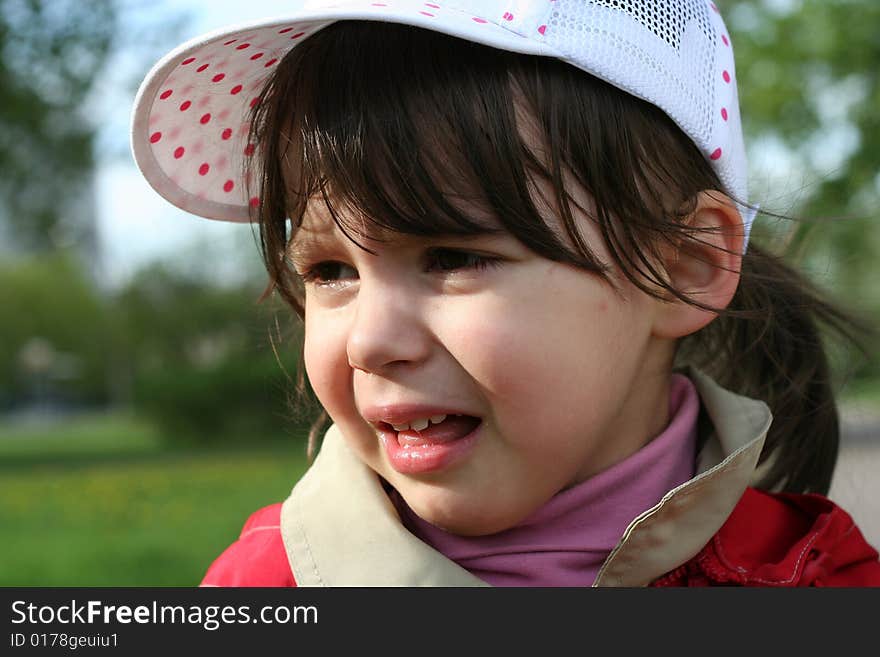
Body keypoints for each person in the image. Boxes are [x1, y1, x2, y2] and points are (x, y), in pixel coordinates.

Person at [131, 0, 880, 586]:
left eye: (451, 254)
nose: (368, 340)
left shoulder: (817, 580)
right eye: (330, 271)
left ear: (686, 262)